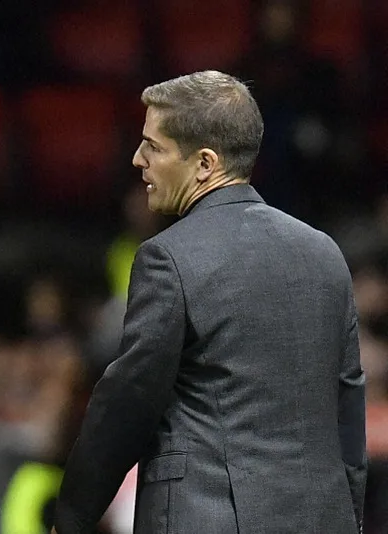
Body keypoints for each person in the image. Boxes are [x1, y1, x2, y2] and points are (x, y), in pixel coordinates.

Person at [52, 70, 367, 534]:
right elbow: (348, 403)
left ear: (204, 163)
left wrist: (72, 518)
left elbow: (127, 403)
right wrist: (349, 515)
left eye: (153, 146)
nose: (138, 159)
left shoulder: (168, 258)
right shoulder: (324, 252)